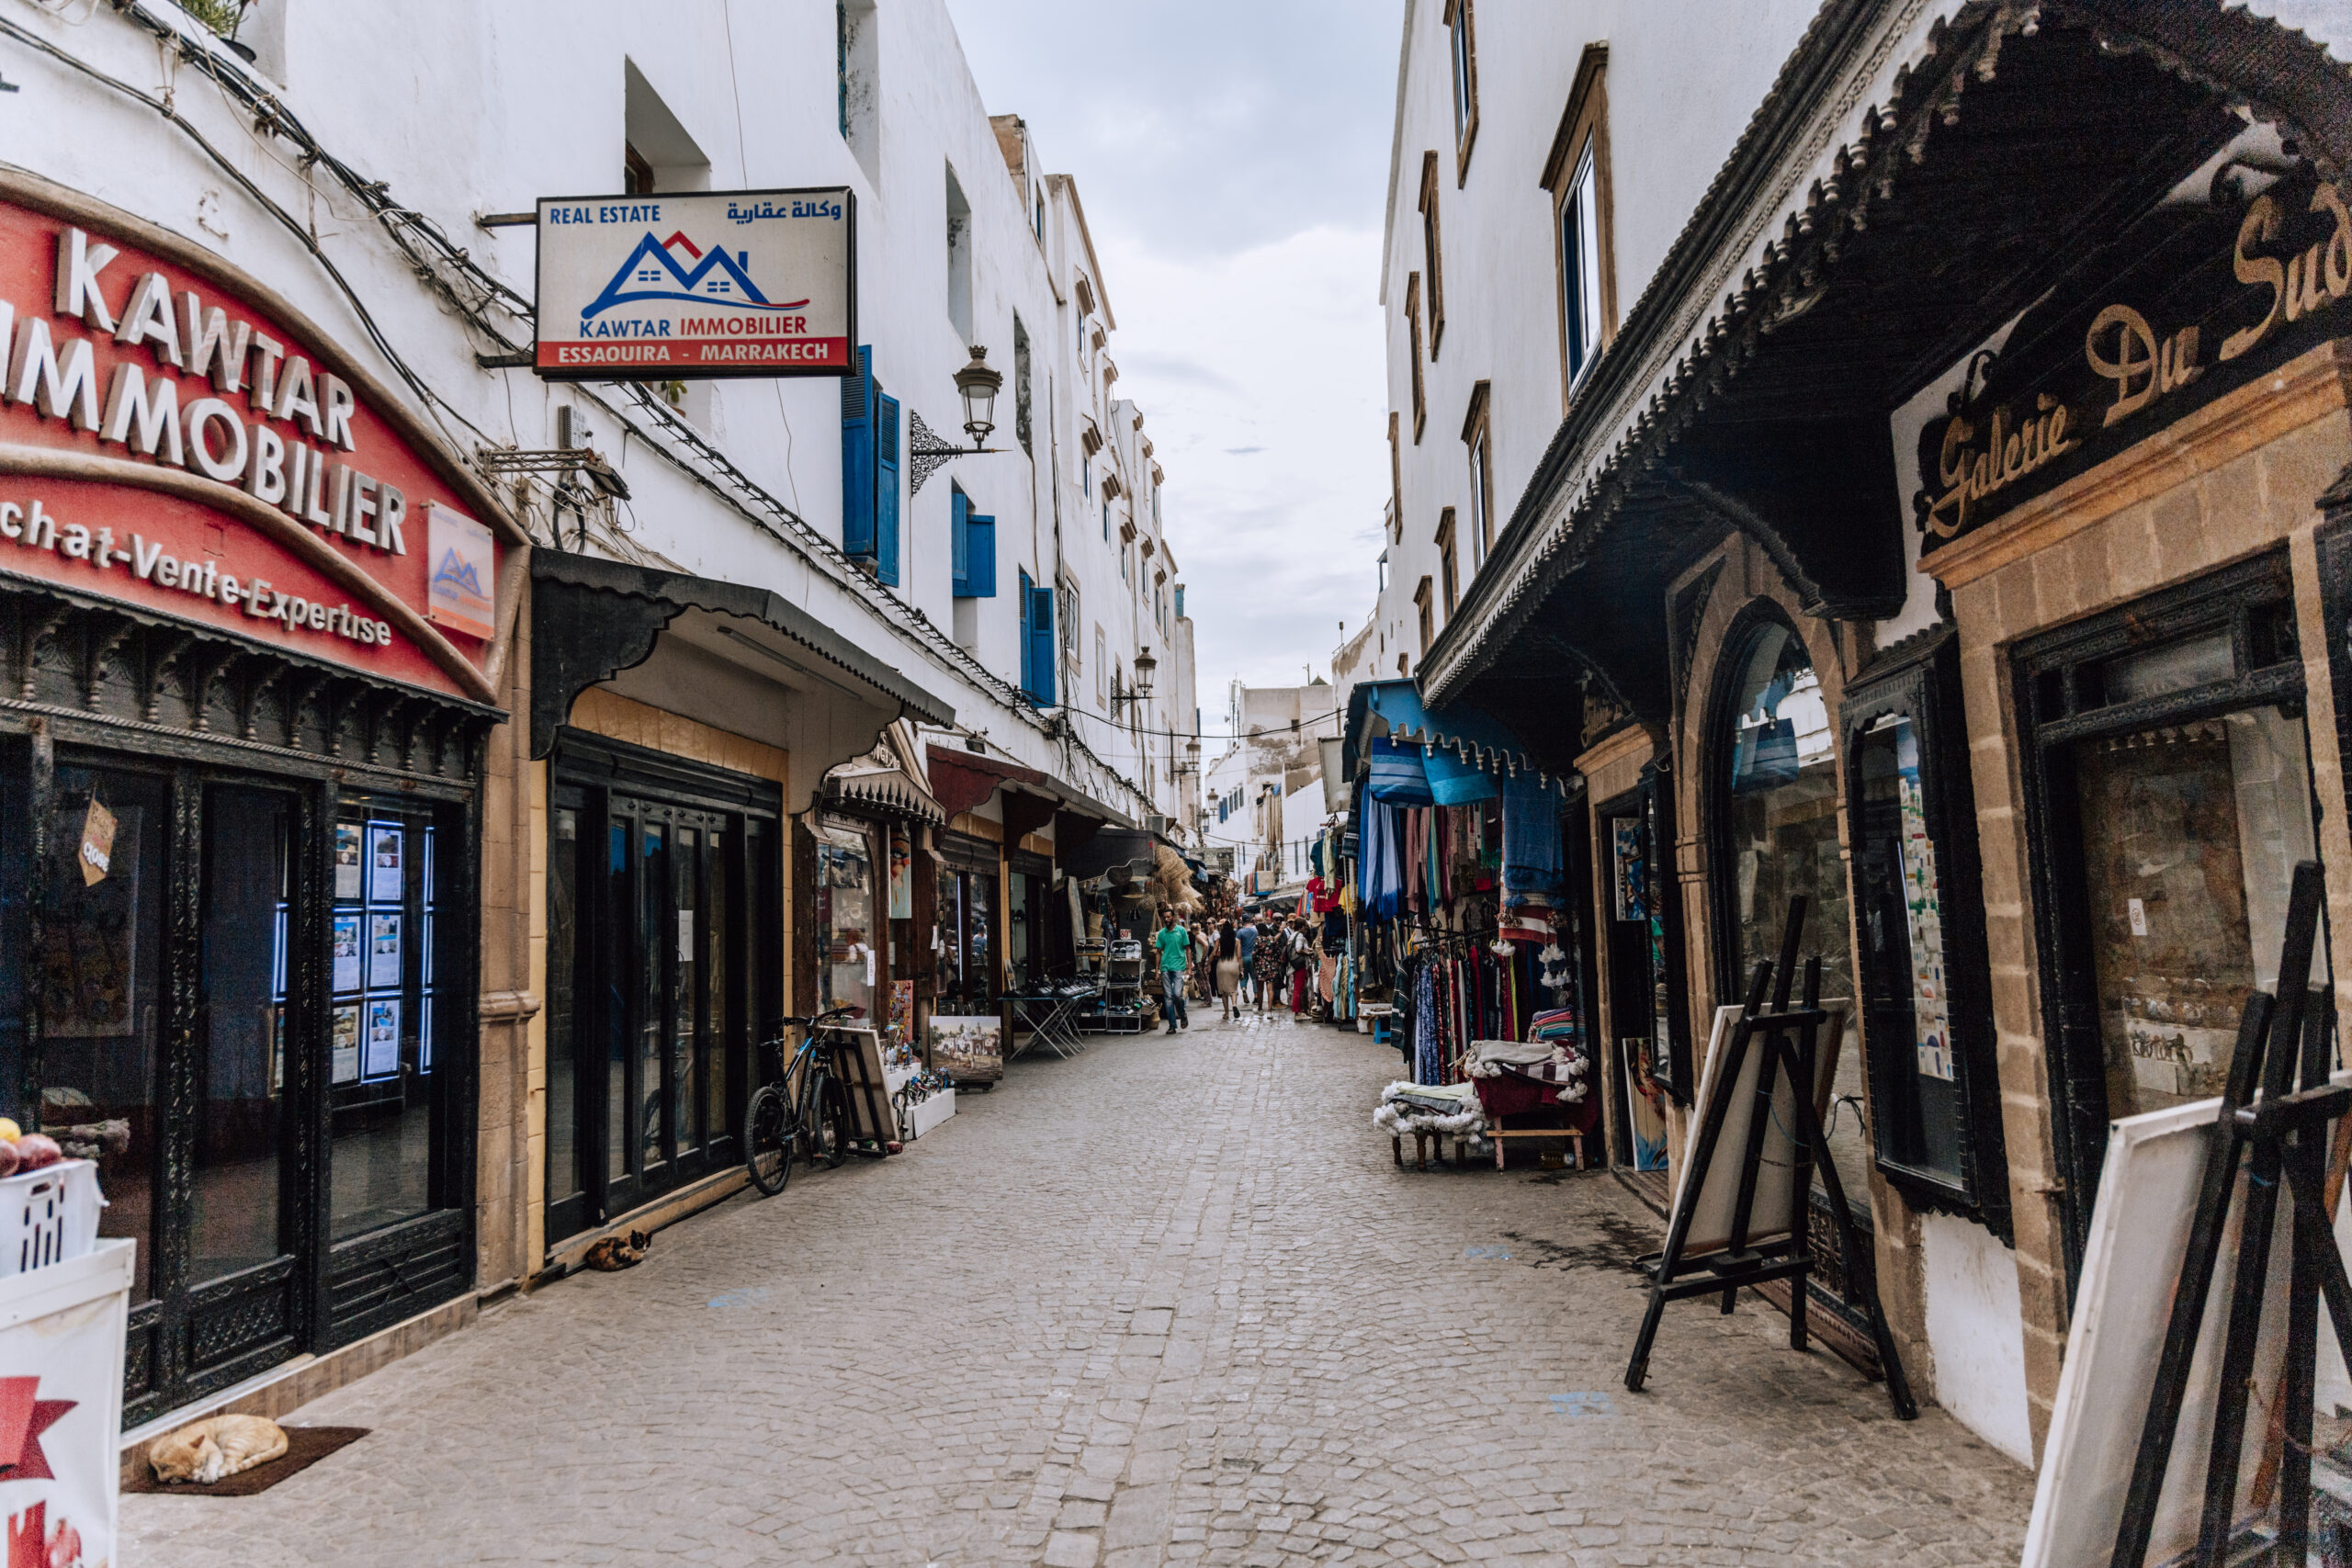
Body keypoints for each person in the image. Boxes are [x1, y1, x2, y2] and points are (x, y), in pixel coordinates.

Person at [1152, 906, 1192, 1032]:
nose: (1166, 919)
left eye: (1169, 917)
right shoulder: (1162, 933)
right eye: (1164, 918)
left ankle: (1182, 1014)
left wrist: (1189, 968)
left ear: (1173, 918)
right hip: (1165, 967)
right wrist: (1157, 970)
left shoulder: (1181, 931)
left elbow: (1188, 949)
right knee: (1168, 997)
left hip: (1179, 967)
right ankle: (1172, 1025)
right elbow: (1158, 952)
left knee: (1177, 994)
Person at [1250, 909, 1288, 1012]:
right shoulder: (1271, 939)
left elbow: (1254, 953)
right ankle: (1269, 1009)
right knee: (1270, 988)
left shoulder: (1258, 940)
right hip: (1271, 966)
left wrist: (1254, 962)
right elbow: (1276, 951)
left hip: (1260, 966)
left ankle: (1260, 1008)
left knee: (1260, 989)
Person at [1213, 920, 1243, 1021]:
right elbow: (1239, 957)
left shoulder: (1219, 940)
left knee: (1224, 992)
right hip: (1233, 966)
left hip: (1222, 966)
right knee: (1233, 989)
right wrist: (1241, 969)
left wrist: (1207, 963)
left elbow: (1213, 954)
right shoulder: (1237, 941)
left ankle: (1226, 1013)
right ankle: (1234, 1005)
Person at [1236, 911, 1261, 1007]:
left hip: (1243, 957)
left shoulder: (1240, 932)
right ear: (1250, 921)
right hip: (1253, 957)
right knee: (1254, 978)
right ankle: (1256, 997)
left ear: (1242, 922)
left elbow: (1237, 945)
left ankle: (1244, 989)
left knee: (1243, 975)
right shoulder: (1255, 931)